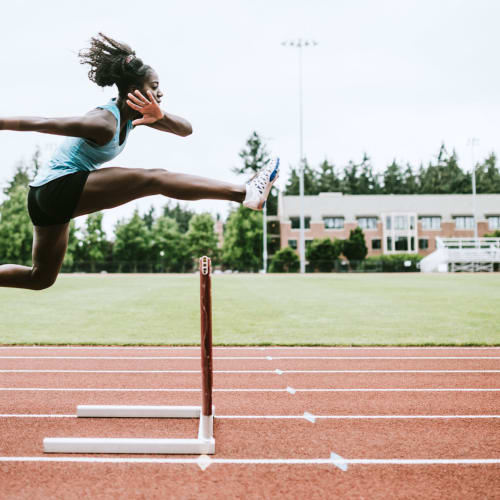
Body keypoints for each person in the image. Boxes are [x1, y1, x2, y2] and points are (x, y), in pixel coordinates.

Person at [0, 33, 279, 290]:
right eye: (155, 87)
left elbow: (186, 129)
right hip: (55, 188)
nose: (161, 93)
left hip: (43, 199)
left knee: (40, 278)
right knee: (154, 178)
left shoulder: (134, 116)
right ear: (135, 88)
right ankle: (244, 193)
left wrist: (160, 116)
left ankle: (246, 193)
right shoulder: (104, 121)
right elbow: (42, 122)